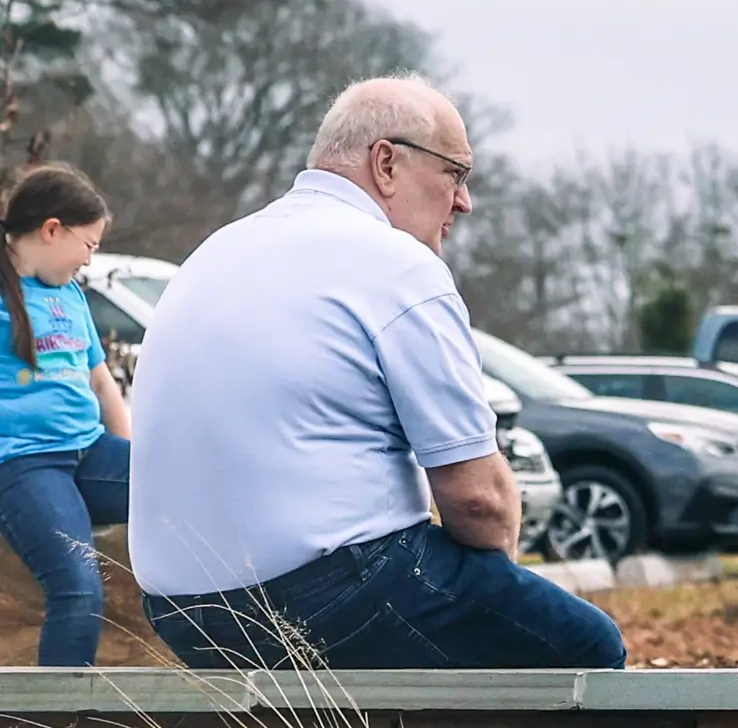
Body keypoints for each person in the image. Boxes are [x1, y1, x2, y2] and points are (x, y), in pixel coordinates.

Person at [127, 77, 625, 670]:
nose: (464, 202)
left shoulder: (214, 252)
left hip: (182, 613)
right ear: (386, 163)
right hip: (324, 595)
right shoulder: (396, 263)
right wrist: (499, 583)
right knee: (588, 646)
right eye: (456, 173)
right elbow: (478, 502)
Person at [0, 166, 131, 665]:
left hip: (89, 453)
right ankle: (63, 712)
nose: (89, 259)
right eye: (89, 244)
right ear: (53, 230)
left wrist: (129, 452)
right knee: (78, 590)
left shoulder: (70, 294)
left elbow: (101, 382)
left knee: (188, 487)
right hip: (25, 465)